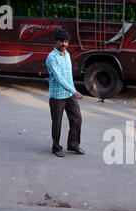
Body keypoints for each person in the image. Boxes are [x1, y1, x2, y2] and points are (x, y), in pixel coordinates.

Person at [46, 28, 84, 158]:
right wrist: (74, 91)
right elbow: (58, 78)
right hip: (57, 96)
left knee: (77, 119)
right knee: (57, 123)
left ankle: (73, 145)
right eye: (61, 41)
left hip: (69, 95)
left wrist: (71, 91)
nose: (64, 44)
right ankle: (56, 148)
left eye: (66, 42)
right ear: (56, 42)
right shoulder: (51, 57)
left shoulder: (67, 54)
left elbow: (68, 76)